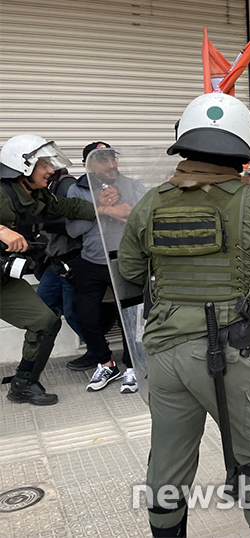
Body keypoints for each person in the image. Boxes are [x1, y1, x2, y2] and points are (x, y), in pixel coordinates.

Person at [118, 93, 250, 537]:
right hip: (232, 350)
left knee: (168, 461)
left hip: (165, 353)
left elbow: (129, 271)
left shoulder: (150, 202)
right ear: (244, 147)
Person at [1, 135, 96, 406]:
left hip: (4, 280)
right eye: (43, 164)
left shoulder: (36, 196)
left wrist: (105, 210)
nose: (50, 169)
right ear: (23, 167)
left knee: (46, 321)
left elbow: (68, 207)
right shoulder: (2, 194)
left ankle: (23, 384)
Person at [67, 142, 148, 393]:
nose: (112, 164)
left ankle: (133, 366)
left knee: (131, 317)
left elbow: (145, 218)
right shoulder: (77, 189)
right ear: (87, 164)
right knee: (85, 315)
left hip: (125, 259)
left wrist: (124, 207)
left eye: (113, 158)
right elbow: (73, 230)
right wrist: (101, 209)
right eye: (103, 160)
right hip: (91, 260)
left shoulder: (132, 185)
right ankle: (105, 363)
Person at [35, 166, 93, 371]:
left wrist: (42, 223)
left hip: (72, 260)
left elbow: (79, 223)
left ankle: (98, 354)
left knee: (73, 312)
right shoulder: (43, 188)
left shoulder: (66, 185)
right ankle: (34, 357)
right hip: (55, 262)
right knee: (42, 308)